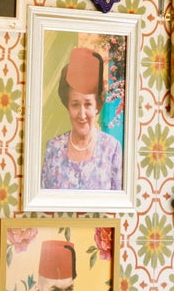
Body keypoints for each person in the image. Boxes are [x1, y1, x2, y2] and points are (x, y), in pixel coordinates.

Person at [41, 46, 122, 190]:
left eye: (88, 104)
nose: (82, 114)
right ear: (67, 107)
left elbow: (117, 206)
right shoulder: (53, 148)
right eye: (75, 104)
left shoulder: (112, 149)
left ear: (97, 105)